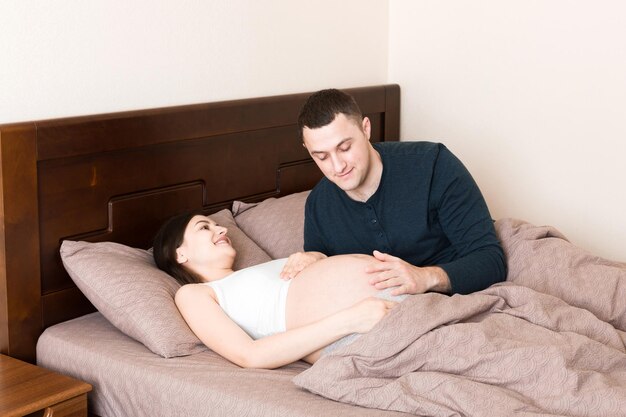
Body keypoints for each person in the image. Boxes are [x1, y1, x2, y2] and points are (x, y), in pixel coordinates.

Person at [280, 89, 506, 295]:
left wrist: (425, 277)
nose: (338, 166)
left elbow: (491, 261)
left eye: (345, 148)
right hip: (384, 317)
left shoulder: (433, 165)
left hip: (457, 296)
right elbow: (325, 285)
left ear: (366, 128)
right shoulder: (319, 207)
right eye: (322, 156)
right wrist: (317, 259)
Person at [153, 211, 402, 369]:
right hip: (364, 329)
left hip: (398, 301)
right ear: (180, 253)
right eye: (204, 227)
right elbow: (250, 356)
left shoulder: (257, 271)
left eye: (217, 224)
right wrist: (352, 320)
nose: (222, 229)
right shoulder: (194, 294)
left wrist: (315, 256)